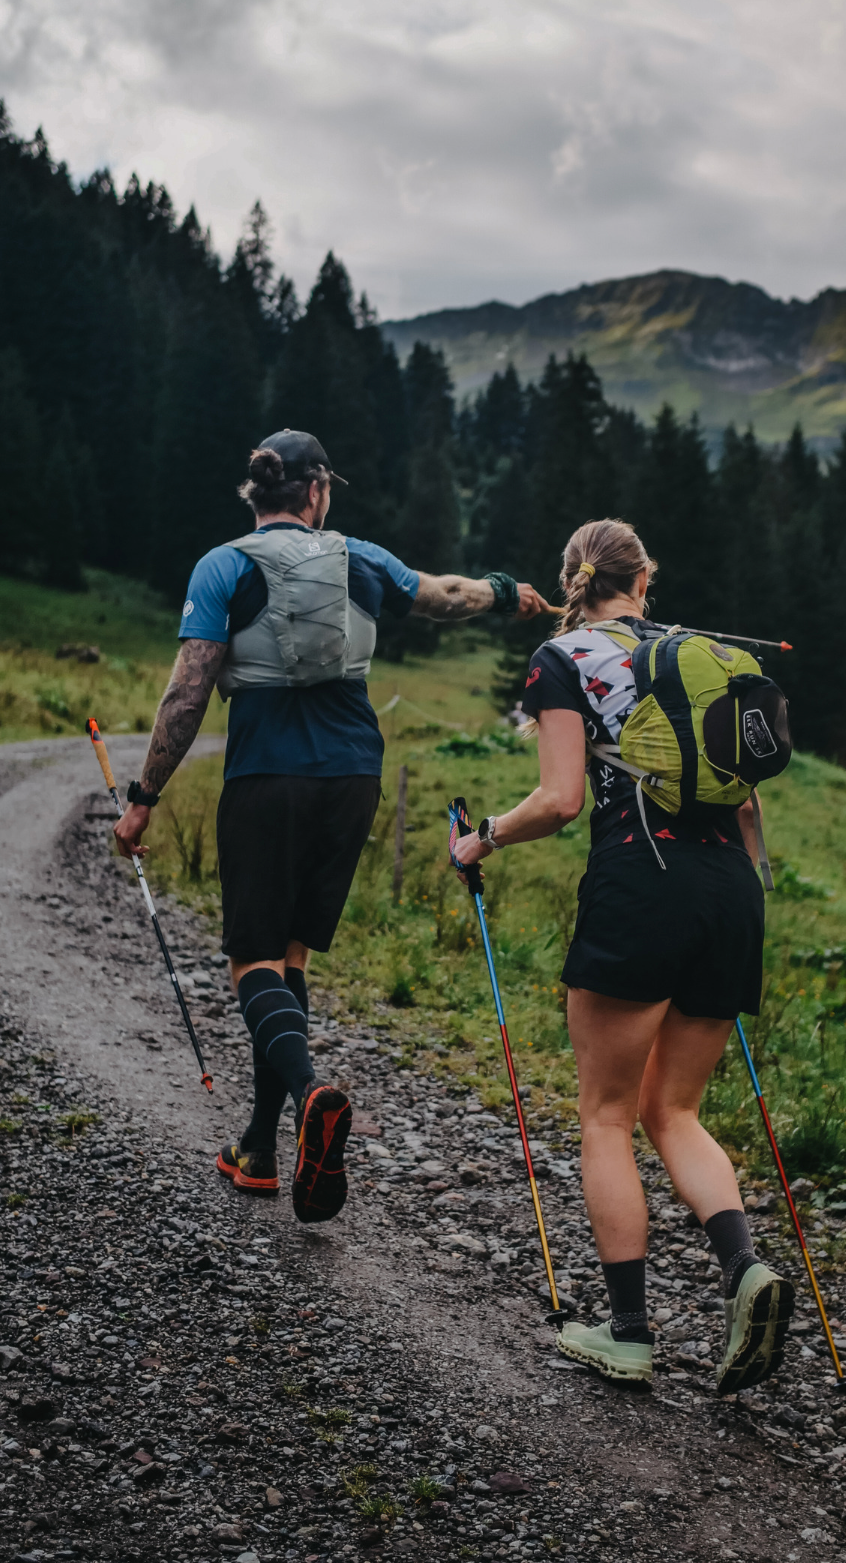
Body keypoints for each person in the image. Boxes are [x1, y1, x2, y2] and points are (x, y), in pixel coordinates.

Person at [114, 428, 550, 1223]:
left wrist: (143, 794)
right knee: (290, 957)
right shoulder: (359, 556)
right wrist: (505, 588)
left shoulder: (223, 566)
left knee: (252, 962)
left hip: (266, 776)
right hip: (352, 775)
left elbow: (188, 693)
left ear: (258, 494)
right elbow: (447, 597)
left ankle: (312, 1090)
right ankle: (258, 1147)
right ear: (316, 491)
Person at [453, 516, 793, 1395]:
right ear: (644, 579)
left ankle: (629, 1331)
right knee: (673, 1110)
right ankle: (745, 1268)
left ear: (573, 580)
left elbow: (563, 800)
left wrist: (484, 838)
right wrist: (741, 897)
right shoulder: (708, 655)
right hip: (731, 896)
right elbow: (750, 810)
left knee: (606, 1115)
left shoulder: (563, 659)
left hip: (642, 884)